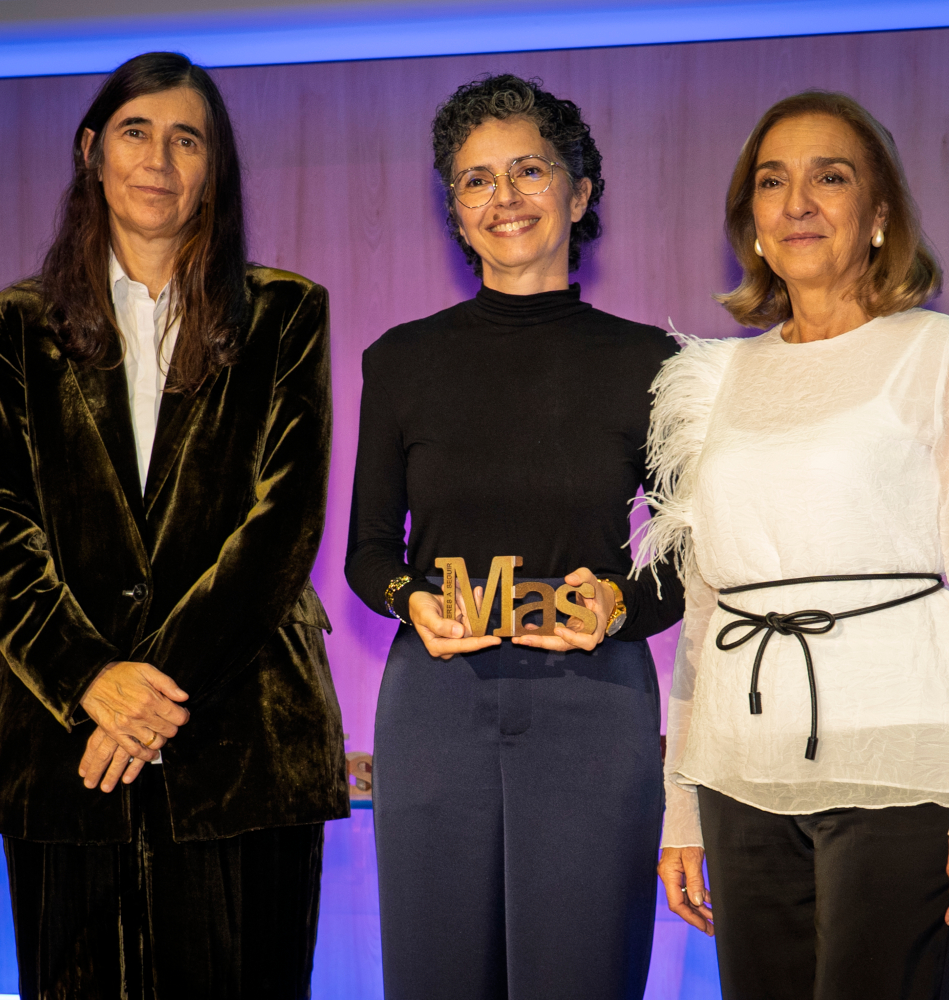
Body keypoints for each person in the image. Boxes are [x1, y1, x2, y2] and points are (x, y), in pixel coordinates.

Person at [634, 90, 949, 999]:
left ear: (880, 214)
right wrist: (682, 809)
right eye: (772, 181)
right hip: (741, 772)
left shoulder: (938, 351)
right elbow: (704, 613)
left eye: (831, 177)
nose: (797, 201)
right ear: (752, 220)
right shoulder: (715, 374)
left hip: (900, 765)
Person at [0, 52, 347, 1000]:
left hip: (242, 745)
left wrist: (153, 696)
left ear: (213, 168)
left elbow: (283, 523)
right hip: (67, 749)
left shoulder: (286, 314)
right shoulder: (21, 323)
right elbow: (0, 518)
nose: (160, 160)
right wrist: (93, 679)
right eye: (137, 131)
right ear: (92, 151)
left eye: (189, 139)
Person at [345, 74, 685, 1000]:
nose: (504, 199)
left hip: (595, 700)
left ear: (579, 193)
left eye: (529, 170)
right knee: (435, 975)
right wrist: (408, 600)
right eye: (475, 180)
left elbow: (694, 553)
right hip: (436, 702)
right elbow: (368, 551)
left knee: (581, 976)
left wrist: (620, 605)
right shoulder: (400, 359)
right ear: (454, 213)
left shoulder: (654, 364)